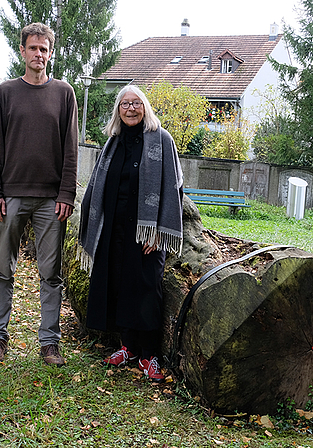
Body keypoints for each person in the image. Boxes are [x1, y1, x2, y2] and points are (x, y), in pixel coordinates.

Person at [0, 23, 78, 366]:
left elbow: (71, 150)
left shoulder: (65, 93)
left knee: (50, 274)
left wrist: (66, 194)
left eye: (45, 49)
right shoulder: (6, 93)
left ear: (51, 54)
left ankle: (49, 343)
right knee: (2, 270)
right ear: (22, 51)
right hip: (12, 197)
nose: (39, 54)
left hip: (52, 201)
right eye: (33, 48)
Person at [77, 85, 184, 382]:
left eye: (136, 103)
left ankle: (150, 355)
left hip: (147, 231)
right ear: (118, 110)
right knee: (119, 284)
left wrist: (158, 233)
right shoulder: (113, 142)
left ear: (145, 107)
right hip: (114, 226)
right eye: (125, 104)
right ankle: (128, 347)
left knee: (146, 287)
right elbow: (98, 182)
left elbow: (173, 187)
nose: (131, 109)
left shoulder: (161, 139)